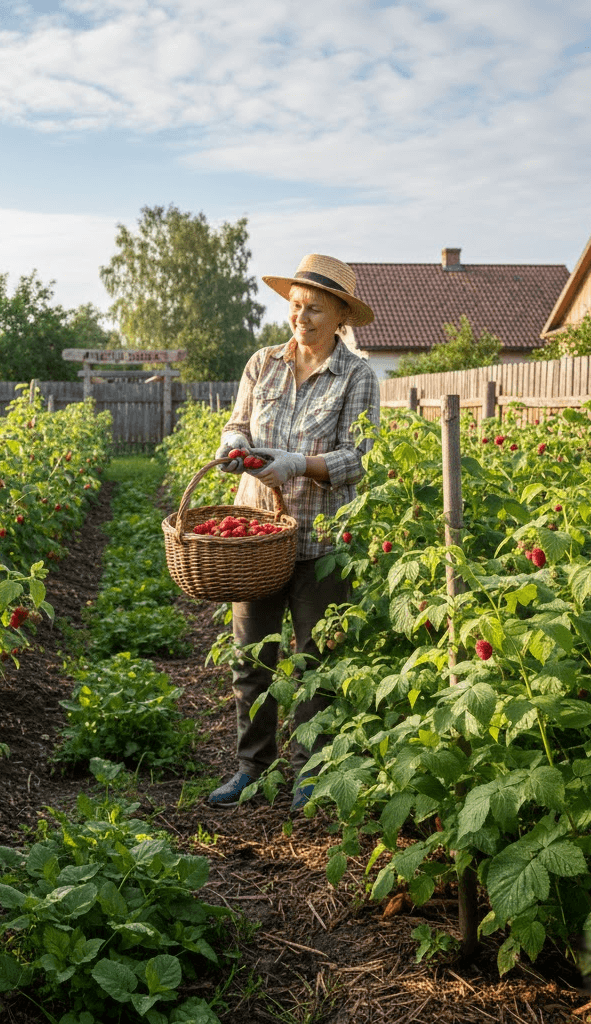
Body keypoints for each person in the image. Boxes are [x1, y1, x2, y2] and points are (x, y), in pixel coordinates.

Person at [207, 253, 380, 811]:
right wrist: (233, 445)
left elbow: (358, 457)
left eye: (314, 309)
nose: (301, 318)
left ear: (340, 318)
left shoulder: (356, 376)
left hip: (318, 542)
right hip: (255, 539)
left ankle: (312, 771)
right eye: (295, 306)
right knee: (251, 657)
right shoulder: (263, 363)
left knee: (314, 662)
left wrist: (298, 464)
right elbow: (238, 421)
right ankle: (250, 768)